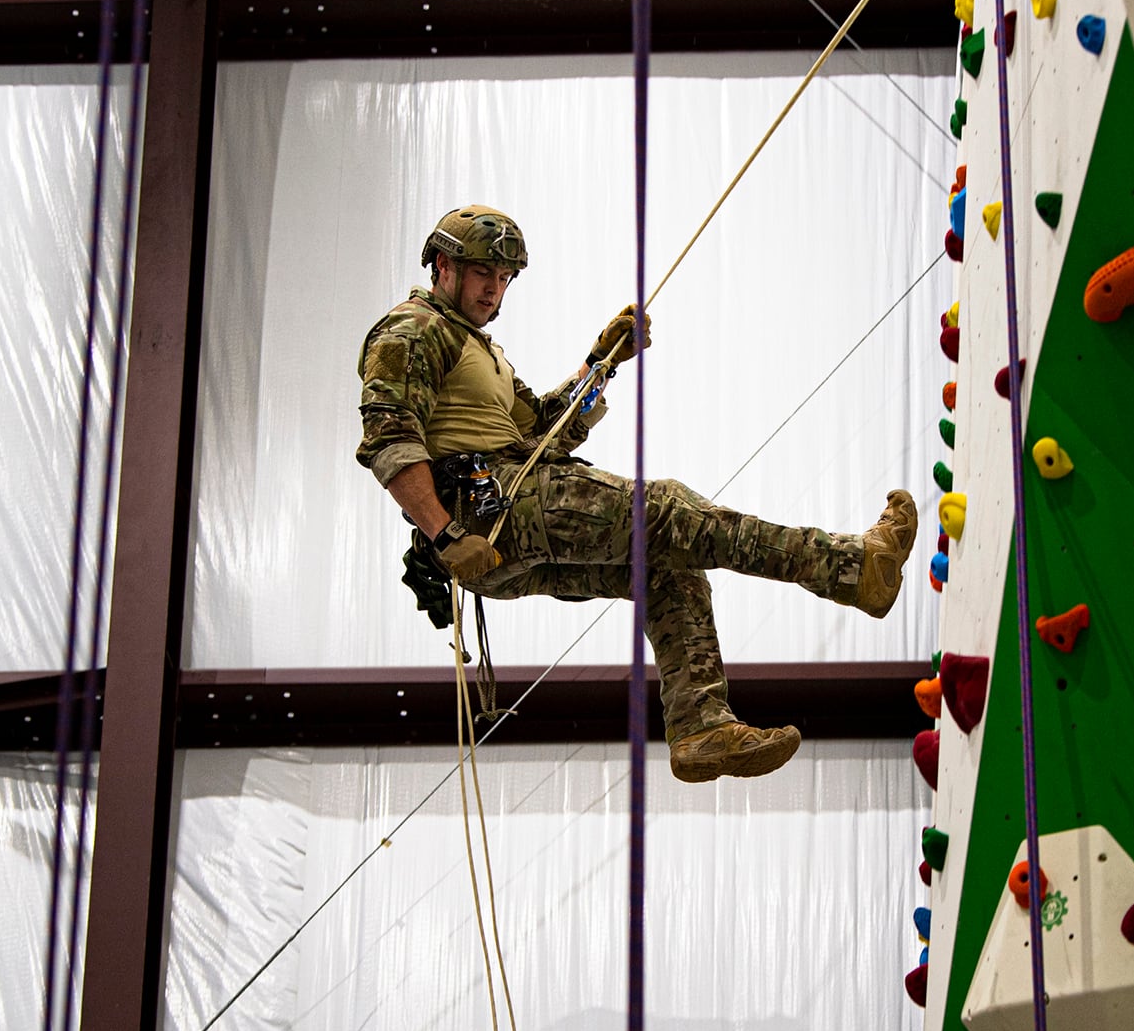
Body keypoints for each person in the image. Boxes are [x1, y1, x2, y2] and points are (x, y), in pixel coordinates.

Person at [356, 206, 918, 782]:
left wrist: (602, 364)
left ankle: (700, 725)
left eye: (505, 278)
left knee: (665, 569)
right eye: (484, 274)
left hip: (496, 538)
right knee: (670, 511)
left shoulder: (480, 352)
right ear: (443, 265)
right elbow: (389, 436)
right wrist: (444, 532)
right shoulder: (413, 331)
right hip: (490, 513)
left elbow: (546, 426)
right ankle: (852, 568)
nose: (495, 290)